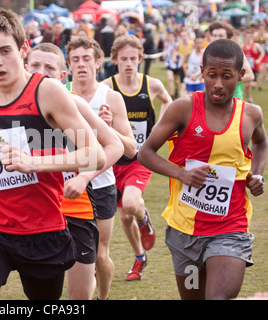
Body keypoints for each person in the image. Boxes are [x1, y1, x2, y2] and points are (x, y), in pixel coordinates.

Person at [0, 7, 106, 300]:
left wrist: (34, 162)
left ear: (23, 49)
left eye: (4, 51)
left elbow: (94, 155)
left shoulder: (47, 92)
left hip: (41, 229)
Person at [138, 39, 267, 300]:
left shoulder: (251, 115)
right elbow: (145, 152)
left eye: (227, 76)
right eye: (212, 75)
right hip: (185, 230)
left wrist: (258, 172)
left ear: (241, 75)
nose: (218, 84)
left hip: (231, 226)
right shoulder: (183, 108)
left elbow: (261, 142)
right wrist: (180, 173)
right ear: (202, 71)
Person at [25, 42, 124, 299]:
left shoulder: (74, 105)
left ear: (61, 75)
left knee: (79, 296)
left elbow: (115, 145)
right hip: (36, 215)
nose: (41, 72)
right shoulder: (16, 109)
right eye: (35, 65)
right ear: (25, 67)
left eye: (49, 67)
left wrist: (84, 176)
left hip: (77, 210)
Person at [65, 36, 137, 300]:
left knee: (100, 255)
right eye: (75, 60)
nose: (81, 64)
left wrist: (109, 129)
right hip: (66, 186)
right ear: (69, 65)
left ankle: (102, 298)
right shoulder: (59, 94)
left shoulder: (111, 98)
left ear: (98, 63)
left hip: (102, 185)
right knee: (70, 255)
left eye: (87, 59)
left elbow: (131, 149)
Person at [103, 34, 172, 281]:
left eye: (133, 59)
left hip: (140, 158)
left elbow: (167, 101)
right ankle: (139, 257)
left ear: (141, 59)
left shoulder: (151, 85)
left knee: (132, 205)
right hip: (114, 160)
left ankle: (145, 219)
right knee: (122, 215)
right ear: (115, 60)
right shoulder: (107, 87)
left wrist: (159, 127)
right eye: (124, 59)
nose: (129, 63)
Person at [207, 21, 254, 100]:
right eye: (214, 35)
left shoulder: (237, 53)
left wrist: (228, 80)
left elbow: (250, 76)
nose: (217, 38)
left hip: (233, 100)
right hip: (212, 101)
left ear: (228, 38)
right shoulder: (207, 53)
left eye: (220, 35)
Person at [242, 29, 266, 103]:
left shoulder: (256, 45)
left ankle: (250, 98)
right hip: (247, 68)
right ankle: (249, 99)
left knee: (251, 84)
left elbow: (262, 52)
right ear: (244, 37)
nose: (248, 39)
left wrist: (259, 59)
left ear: (252, 37)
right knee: (246, 85)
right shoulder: (243, 45)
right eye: (247, 37)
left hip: (254, 68)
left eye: (250, 37)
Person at [164, 31, 182, 100]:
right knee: (170, 79)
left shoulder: (177, 44)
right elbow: (165, 51)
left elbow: (179, 53)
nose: (170, 38)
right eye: (169, 36)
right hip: (168, 64)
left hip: (176, 65)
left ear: (175, 37)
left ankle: (176, 89)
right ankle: (171, 95)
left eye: (172, 36)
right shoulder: (166, 44)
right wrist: (164, 54)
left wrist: (175, 55)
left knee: (176, 81)